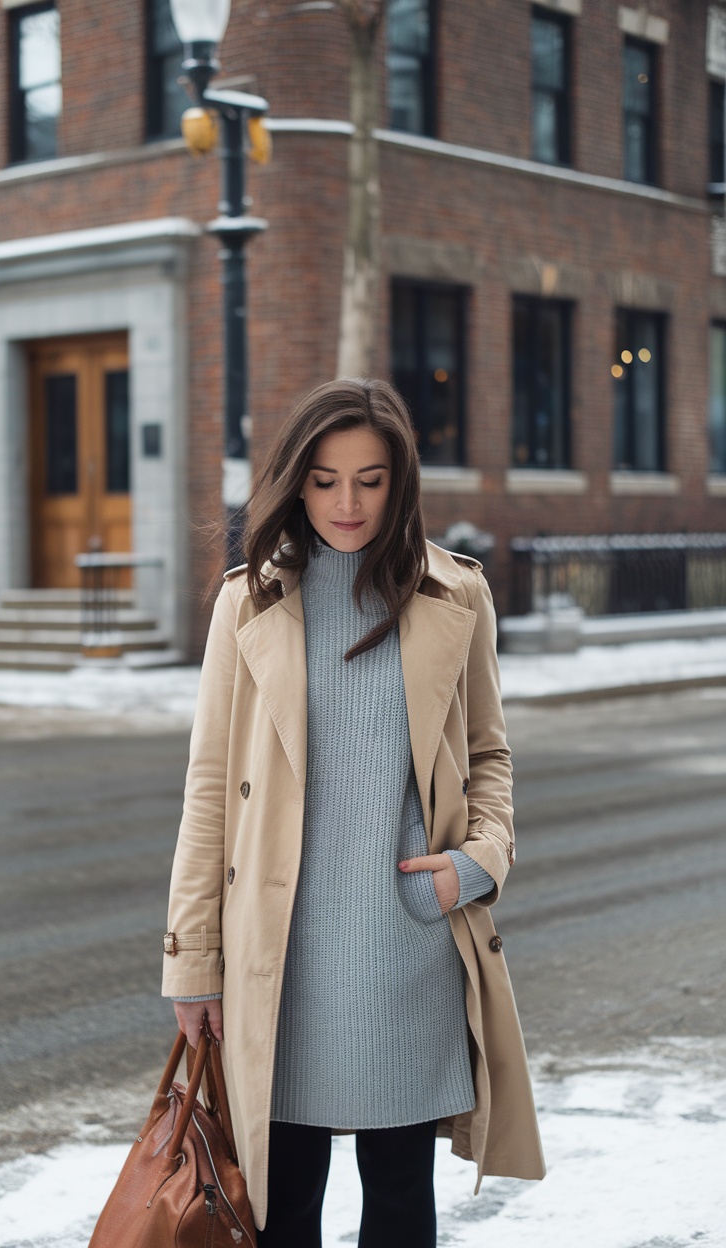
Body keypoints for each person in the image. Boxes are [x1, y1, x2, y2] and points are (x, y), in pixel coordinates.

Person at [163, 378, 544, 1247]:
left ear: (400, 480)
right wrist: (191, 962)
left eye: (370, 479)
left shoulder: (456, 596)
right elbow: (210, 787)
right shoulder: (247, 601)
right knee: (282, 1207)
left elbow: (489, 755)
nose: (347, 502)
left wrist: (478, 862)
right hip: (282, 961)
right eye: (326, 478)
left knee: (401, 1206)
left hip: (406, 950)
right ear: (296, 481)